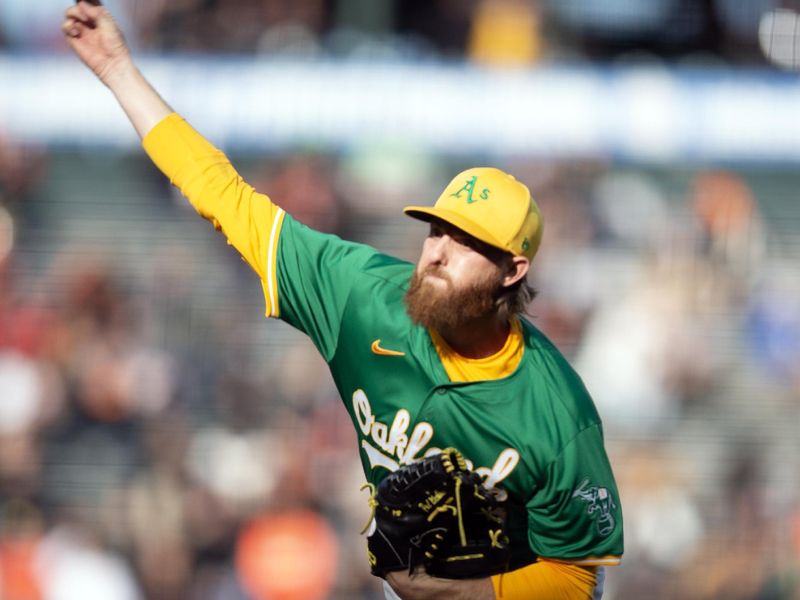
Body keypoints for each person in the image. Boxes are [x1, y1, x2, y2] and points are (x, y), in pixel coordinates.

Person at [62, 3, 624, 599]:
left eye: (467, 243)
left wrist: (466, 596)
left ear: (512, 271)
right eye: (437, 230)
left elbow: (579, 570)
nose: (436, 251)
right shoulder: (360, 294)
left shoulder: (556, 411)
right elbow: (224, 197)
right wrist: (119, 70)